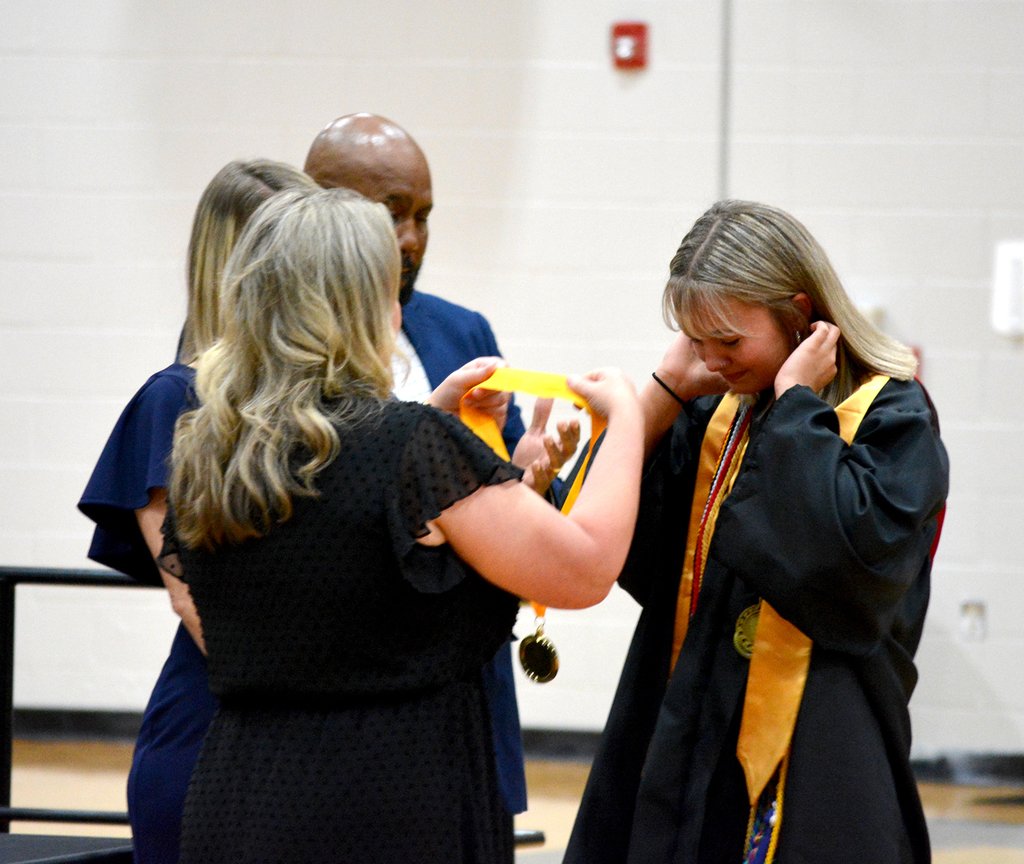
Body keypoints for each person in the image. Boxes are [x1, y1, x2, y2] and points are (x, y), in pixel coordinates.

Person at [158, 187, 643, 863]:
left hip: (242, 795)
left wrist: (488, 460)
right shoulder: (409, 446)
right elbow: (586, 567)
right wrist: (629, 421)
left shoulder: (207, 449)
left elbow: (348, 543)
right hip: (389, 797)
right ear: (360, 306)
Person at [564, 200, 949, 864]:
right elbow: (614, 541)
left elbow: (847, 574)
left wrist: (799, 407)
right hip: (689, 727)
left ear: (799, 315)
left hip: (820, 745)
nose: (712, 360)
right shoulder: (718, 405)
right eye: (696, 339)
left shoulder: (893, 415)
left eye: (729, 341)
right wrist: (660, 393)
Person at [303, 112, 575, 818]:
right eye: (392, 213)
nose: (413, 238)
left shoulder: (462, 331)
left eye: (424, 215)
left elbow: (512, 503)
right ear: (322, 207)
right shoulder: (270, 341)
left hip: (461, 680)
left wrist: (532, 476)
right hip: (334, 687)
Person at [78, 159, 318, 864]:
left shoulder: (329, 405)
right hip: (224, 728)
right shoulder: (174, 400)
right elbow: (200, 605)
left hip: (311, 728)